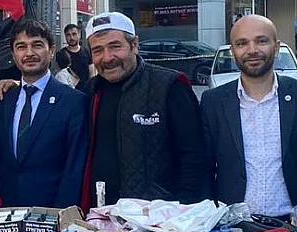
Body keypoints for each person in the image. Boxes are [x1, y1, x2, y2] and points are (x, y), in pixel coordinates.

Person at [79, 12, 208, 209]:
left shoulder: (170, 86)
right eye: (98, 50)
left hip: (158, 220)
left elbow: (194, 157)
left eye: (115, 46)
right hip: (102, 215)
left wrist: (183, 209)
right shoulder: (89, 91)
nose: (107, 58)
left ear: (134, 44)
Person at [201, 15, 297, 219]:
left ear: (276, 46)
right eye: (242, 43)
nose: (252, 50)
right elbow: (204, 168)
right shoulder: (214, 102)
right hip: (233, 225)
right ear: (233, 50)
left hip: (295, 224)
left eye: (261, 41)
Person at [0, 19, 88, 208]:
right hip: (6, 216)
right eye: (21, 47)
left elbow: (74, 169)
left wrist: (61, 218)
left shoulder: (74, 102)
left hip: (52, 217)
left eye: (37, 45)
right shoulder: (4, 100)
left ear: (51, 50)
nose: (29, 53)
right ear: (13, 55)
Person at [54, 23, 91, 89]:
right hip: (69, 92)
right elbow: (60, 76)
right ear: (65, 36)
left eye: (74, 34)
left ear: (79, 35)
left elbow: (92, 72)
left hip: (87, 92)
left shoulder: (86, 52)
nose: (71, 38)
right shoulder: (61, 54)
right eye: (68, 35)